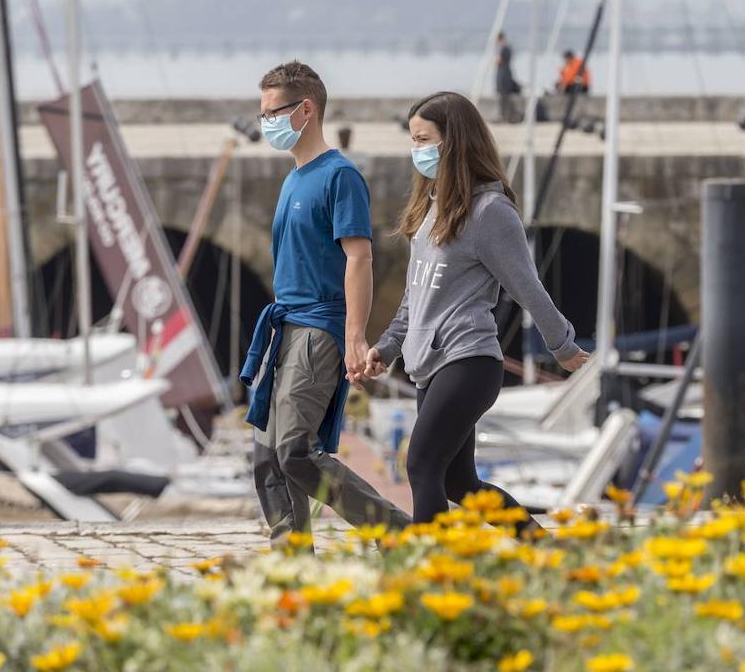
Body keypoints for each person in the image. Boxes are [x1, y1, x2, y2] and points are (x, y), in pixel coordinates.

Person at [359, 91, 589, 534]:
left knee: (422, 464)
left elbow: (528, 287)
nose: (417, 151)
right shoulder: (432, 210)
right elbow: (415, 296)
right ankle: (542, 548)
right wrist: (387, 347)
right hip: (432, 363)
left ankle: (433, 569)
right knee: (457, 481)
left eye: (424, 139)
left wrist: (562, 345)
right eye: (413, 140)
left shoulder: (490, 212)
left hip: (469, 360)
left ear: (454, 141)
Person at [241, 61, 413, 546]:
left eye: (273, 112)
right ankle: (292, 562)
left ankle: (395, 532)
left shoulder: (340, 177)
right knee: (266, 453)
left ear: (306, 109)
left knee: (295, 449)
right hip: (285, 326)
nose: (266, 123)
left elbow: (359, 257)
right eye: (263, 113)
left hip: (320, 326)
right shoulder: (293, 178)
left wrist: (354, 337)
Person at [495, 32, 522, 123]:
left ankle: (505, 116)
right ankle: (508, 116)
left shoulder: (504, 48)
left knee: (504, 96)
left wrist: (496, 61)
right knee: (505, 96)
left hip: (504, 75)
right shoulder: (508, 48)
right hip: (506, 74)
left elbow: (499, 61)